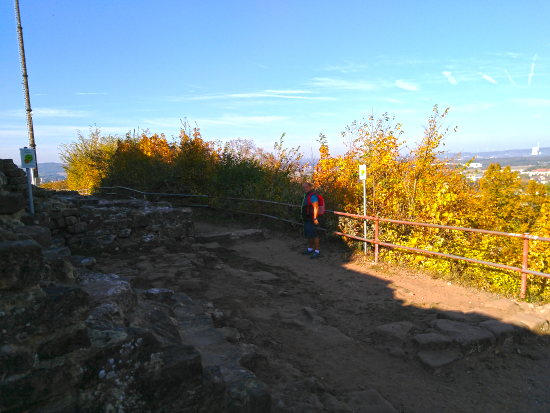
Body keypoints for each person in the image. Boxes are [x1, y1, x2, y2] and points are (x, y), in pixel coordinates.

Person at [301, 181, 321, 258]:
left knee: (314, 235)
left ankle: (317, 251)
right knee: (310, 236)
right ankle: (310, 249)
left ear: (310, 187)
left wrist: (315, 218)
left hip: (311, 220)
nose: (305, 189)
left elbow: (316, 207)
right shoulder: (307, 195)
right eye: (304, 188)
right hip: (307, 220)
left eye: (306, 187)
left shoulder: (312, 196)